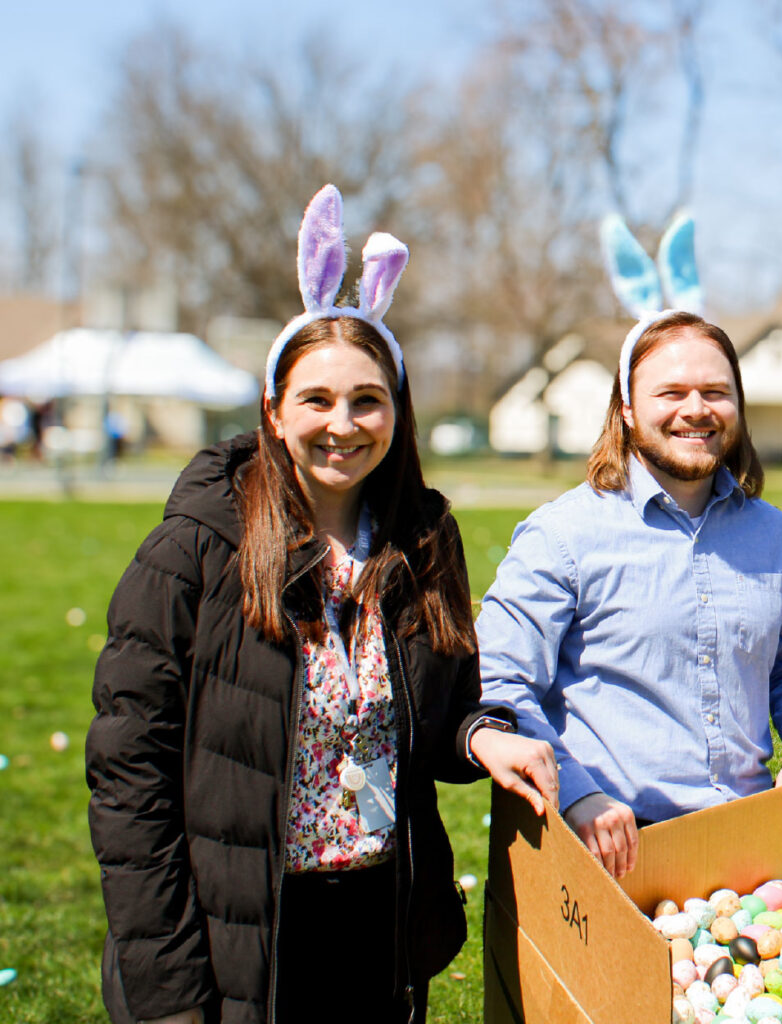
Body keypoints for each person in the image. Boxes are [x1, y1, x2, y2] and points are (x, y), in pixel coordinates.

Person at [85, 185, 558, 1024]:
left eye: (367, 400)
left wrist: (485, 738)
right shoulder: (195, 548)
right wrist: (165, 981)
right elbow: (129, 777)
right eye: (317, 400)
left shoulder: (423, 540)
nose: (343, 424)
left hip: (375, 925)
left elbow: (443, 708)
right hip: (238, 932)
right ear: (273, 410)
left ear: (397, 411)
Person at [476, 309, 782, 881]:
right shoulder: (562, 535)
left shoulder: (777, 538)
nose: (696, 409)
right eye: (671, 391)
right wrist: (575, 794)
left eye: (716, 392)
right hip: (611, 849)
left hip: (755, 844)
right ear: (626, 407)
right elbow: (499, 682)